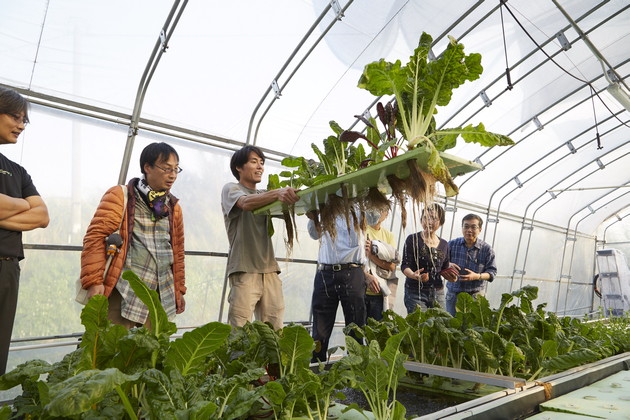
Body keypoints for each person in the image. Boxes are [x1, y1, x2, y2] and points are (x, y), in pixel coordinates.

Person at [80, 142, 186, 328]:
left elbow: (177, 252)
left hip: (159, 293)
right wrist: (94, 282)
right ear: (147, 167)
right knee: (113, 348)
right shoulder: (121, 196)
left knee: (150, 351)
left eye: (176, 169)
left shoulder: (172, 207)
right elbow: (96, 237)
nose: (172, 175)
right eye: (166, 168)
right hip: (123, 291)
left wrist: (180, 290)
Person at [221, 145, 299, 330]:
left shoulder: (265, 195)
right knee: (239, 330)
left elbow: (295, 208)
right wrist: (278, 193)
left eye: (262, 163)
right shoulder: (231, 189)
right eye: (254, 162)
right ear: (239, 167)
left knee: (275, 330)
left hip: (270, 270)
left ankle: (272, 361)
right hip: (244, 269)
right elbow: (246, 203)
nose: (260, 167)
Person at [0, 87, 50, 375]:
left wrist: (8, 207)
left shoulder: (17, 170)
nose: (21, 125)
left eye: (24, 120)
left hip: (8, 269)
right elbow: (31, 210)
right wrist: (23, 205)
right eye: (15, 117)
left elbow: (42, 216)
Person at [308, 210, 377, 362]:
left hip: (352, 271)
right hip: (325, 272)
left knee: (355, 326)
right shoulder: (324, 205)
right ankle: (316, 370)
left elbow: (375, 216)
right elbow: (314, 234)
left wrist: (371, 194)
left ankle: (355, 372)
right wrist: (314, 218)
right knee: (320, 329)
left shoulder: (359, 205)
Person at [401, 203, 458, 314]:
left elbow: (444, 269)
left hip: (438, 292)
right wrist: (414, 275)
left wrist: (452, 278)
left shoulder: (444, 244)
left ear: (441, 222)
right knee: (419, 325)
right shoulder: (413, 239)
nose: (429, 222)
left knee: (441, 325)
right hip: (415, 292)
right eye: (426, 217)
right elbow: (405, 265)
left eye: (434, 218)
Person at [446, 213, 497, 316]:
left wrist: (477, 276)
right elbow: (440, 263)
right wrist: (448, 264)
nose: (469, 230)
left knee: (473, 328)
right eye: (466, 226)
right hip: (453, 295)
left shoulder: (486, 249)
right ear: (462, 228)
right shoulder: (451, 244)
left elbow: (492, 272)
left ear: (480, 230)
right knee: (451, 326)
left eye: (473, 227)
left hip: (475, 296)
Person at [364, 206, 399, 321]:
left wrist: (371, 256)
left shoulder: (388, 235)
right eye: (376, 207)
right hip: (361, 290)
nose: (377, 211)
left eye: (382, 209)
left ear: (386, 215)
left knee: (376, 332)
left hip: (379, 293)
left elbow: (392, 266)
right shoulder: (363, 231)